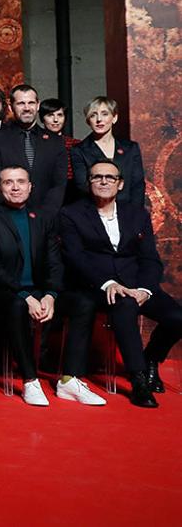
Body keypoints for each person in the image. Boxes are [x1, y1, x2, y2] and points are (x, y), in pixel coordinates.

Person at [59, 161, 180, 407]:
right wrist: (107, 283)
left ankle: (150, 360)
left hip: (137, 284)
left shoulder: (137, 213)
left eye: (110, 178)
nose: (103, 182)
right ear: (88, 182)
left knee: (177, 317)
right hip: (96, 286)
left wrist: (145, 289)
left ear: (120, 183)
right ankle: (138, 381)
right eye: (97, 177)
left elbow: (150, 258)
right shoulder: (71, 214)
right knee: (124, 307)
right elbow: (75, 258)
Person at [0, 166, 99, 406]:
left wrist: (51, 295)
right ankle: (30, 380)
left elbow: (55, 262)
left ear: (30, 187)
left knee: (83, 304)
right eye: (8, 182)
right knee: (16, 306)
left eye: (21, 182)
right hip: (3, 293)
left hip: (40, 292)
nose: (15, 187)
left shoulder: (42, 218)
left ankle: (69, 379)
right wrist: (24, 295)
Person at [0, 85, 68, 216]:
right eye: (21, 103)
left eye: (31, 103)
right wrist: (11, 211)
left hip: (47, 217)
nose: (27, 108)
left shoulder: (55, 142)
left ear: (38, 105)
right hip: (8, 217)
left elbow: (59, 183)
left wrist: (47, 213)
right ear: (11, 107)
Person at [70, 96, 146, 209]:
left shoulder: (130, 148)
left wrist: (134, 215)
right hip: (95, 212)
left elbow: (137, 186)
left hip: (128, 212)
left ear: (114, 118)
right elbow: (83, 186)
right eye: (93, 115)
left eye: (105, 114)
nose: (99, 119)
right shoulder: (79, 150)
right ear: (88, 121)